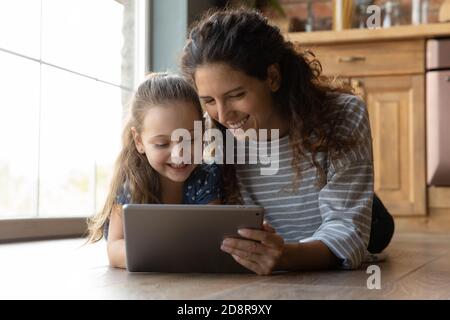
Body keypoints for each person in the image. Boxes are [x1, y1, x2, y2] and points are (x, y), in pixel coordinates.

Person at [181, 8, 394, 275]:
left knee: (375, 226)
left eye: (236, 95)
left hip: (358, 217)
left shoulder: (342, 114)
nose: (223, 115)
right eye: (209, 101)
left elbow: (348, 230)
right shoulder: (211, 129)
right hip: (279, 238)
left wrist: (285, 257)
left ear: (272, 77)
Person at [86, 73, 223, 269]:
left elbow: (212, 237)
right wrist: (164, 256)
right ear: (139, 141)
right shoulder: (131, 182)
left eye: (190, 139)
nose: (178, 154)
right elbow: (115, 249)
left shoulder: (207, 176)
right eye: (161, 144)